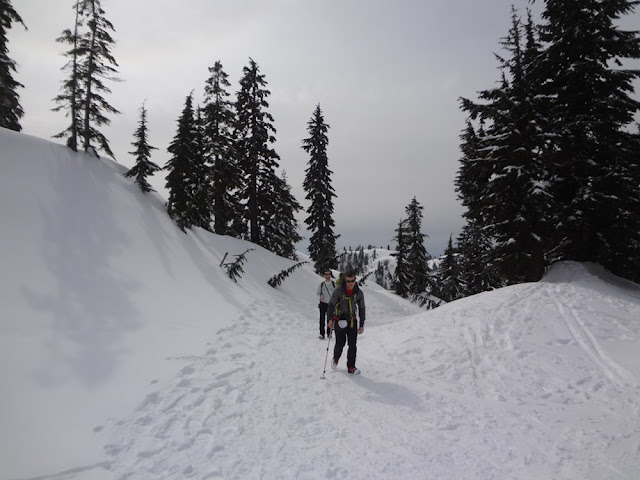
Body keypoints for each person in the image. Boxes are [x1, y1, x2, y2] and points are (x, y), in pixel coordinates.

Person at [327, 269, 365, 375]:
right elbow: (331, 305)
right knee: (340, 343)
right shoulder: (338, 291)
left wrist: (361, 324)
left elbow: (362, 308)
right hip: (340, 320)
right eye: (348, 281)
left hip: (352, 321)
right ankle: (336, 358)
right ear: (344, 280)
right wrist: (330, 319)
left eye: (352, 280)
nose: (350, 283)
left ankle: (351, 367)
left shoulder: (358, 292)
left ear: (355, 279)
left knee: (352, 345)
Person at [317, 271, 336, 339]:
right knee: (322, 319)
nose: (327, 276)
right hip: (323, 303)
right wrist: (321, 296)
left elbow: (336, 293)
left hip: (331, 304)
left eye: (329, 274)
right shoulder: (321, 284)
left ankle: (329, 333)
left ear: (331, 275)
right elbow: (318, 292)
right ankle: (322, 333)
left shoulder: (333, 284)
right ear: (324, 276)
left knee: (330, 319)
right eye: (326, 274)